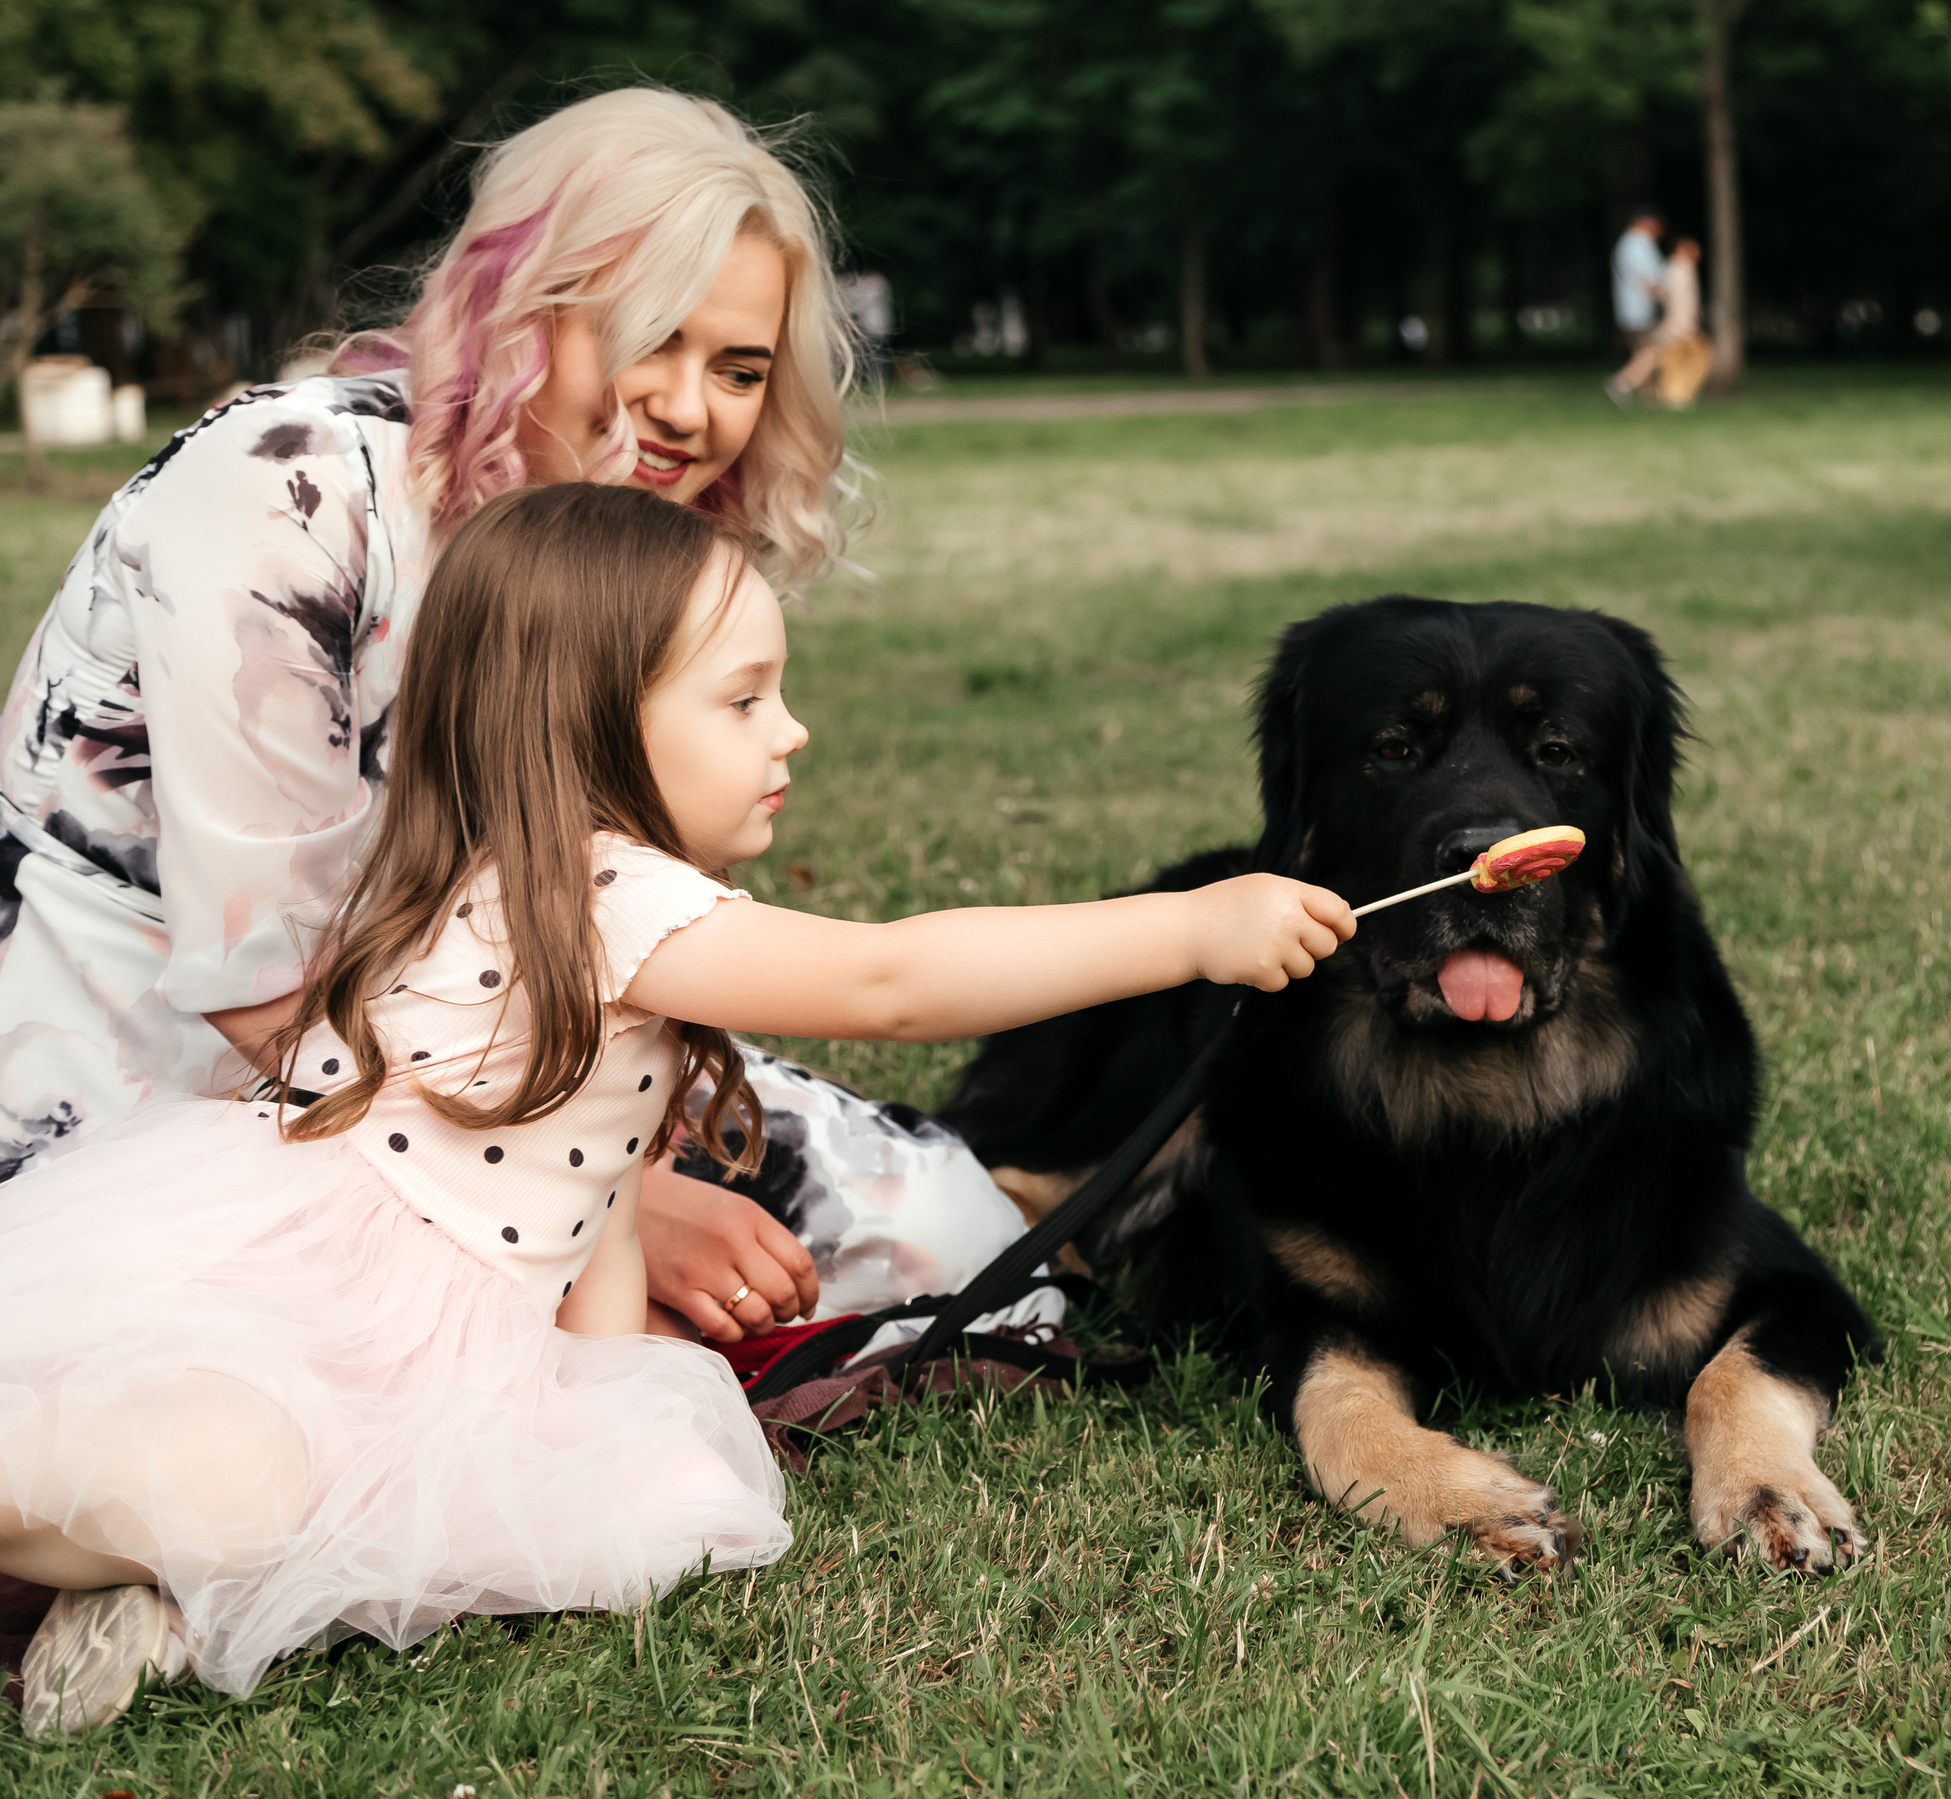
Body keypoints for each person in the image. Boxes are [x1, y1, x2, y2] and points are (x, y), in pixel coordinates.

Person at [0, 482, 1355, 1737]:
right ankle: (121, 1542)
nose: (792, 731)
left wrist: (602, 1406)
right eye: (745, 699)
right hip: (324, 1294)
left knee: (648, 1501)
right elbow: (891, 976)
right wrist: (1189, 926)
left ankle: (145, 1568)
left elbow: (590, 1198)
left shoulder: (552, 886)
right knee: (237, 1482)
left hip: (441, 1323)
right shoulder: (608, 900)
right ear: (592, 716)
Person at [0, 86, 1023, 1355]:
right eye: (647, 337)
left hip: (516, 1075)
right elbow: (261, 986)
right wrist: (611, 1199)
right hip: (188, 1086)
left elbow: (611, 936)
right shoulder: (283, 491)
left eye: (740, 368)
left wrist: (625, 1169)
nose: (690, 408)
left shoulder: (624, 560)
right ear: (517, 305)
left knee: (952, 1235)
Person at [1605, 208, 1666, 406]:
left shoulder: (1624, 244)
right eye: (1657, 224)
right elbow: (1651, 281)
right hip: (1642, 310)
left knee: (1640, 354)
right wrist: (1667, 300)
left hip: (1628, 310)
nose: (1659, 230)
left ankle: (1649, 398)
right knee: (1653, 353)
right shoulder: (1640, 245)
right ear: (1644, 223)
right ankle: (1621, 383)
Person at [1651, 238, 1713, 409]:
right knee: (1693, 360)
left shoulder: (1669, 268)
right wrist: (1691, 325)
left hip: (1674, 322)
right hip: (1681, 323)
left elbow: (1662, 295)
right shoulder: (1683, 269)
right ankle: (1677, 396)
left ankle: (1672, 395)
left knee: (1669, 360)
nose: (1698, 255)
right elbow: (1685, 301)